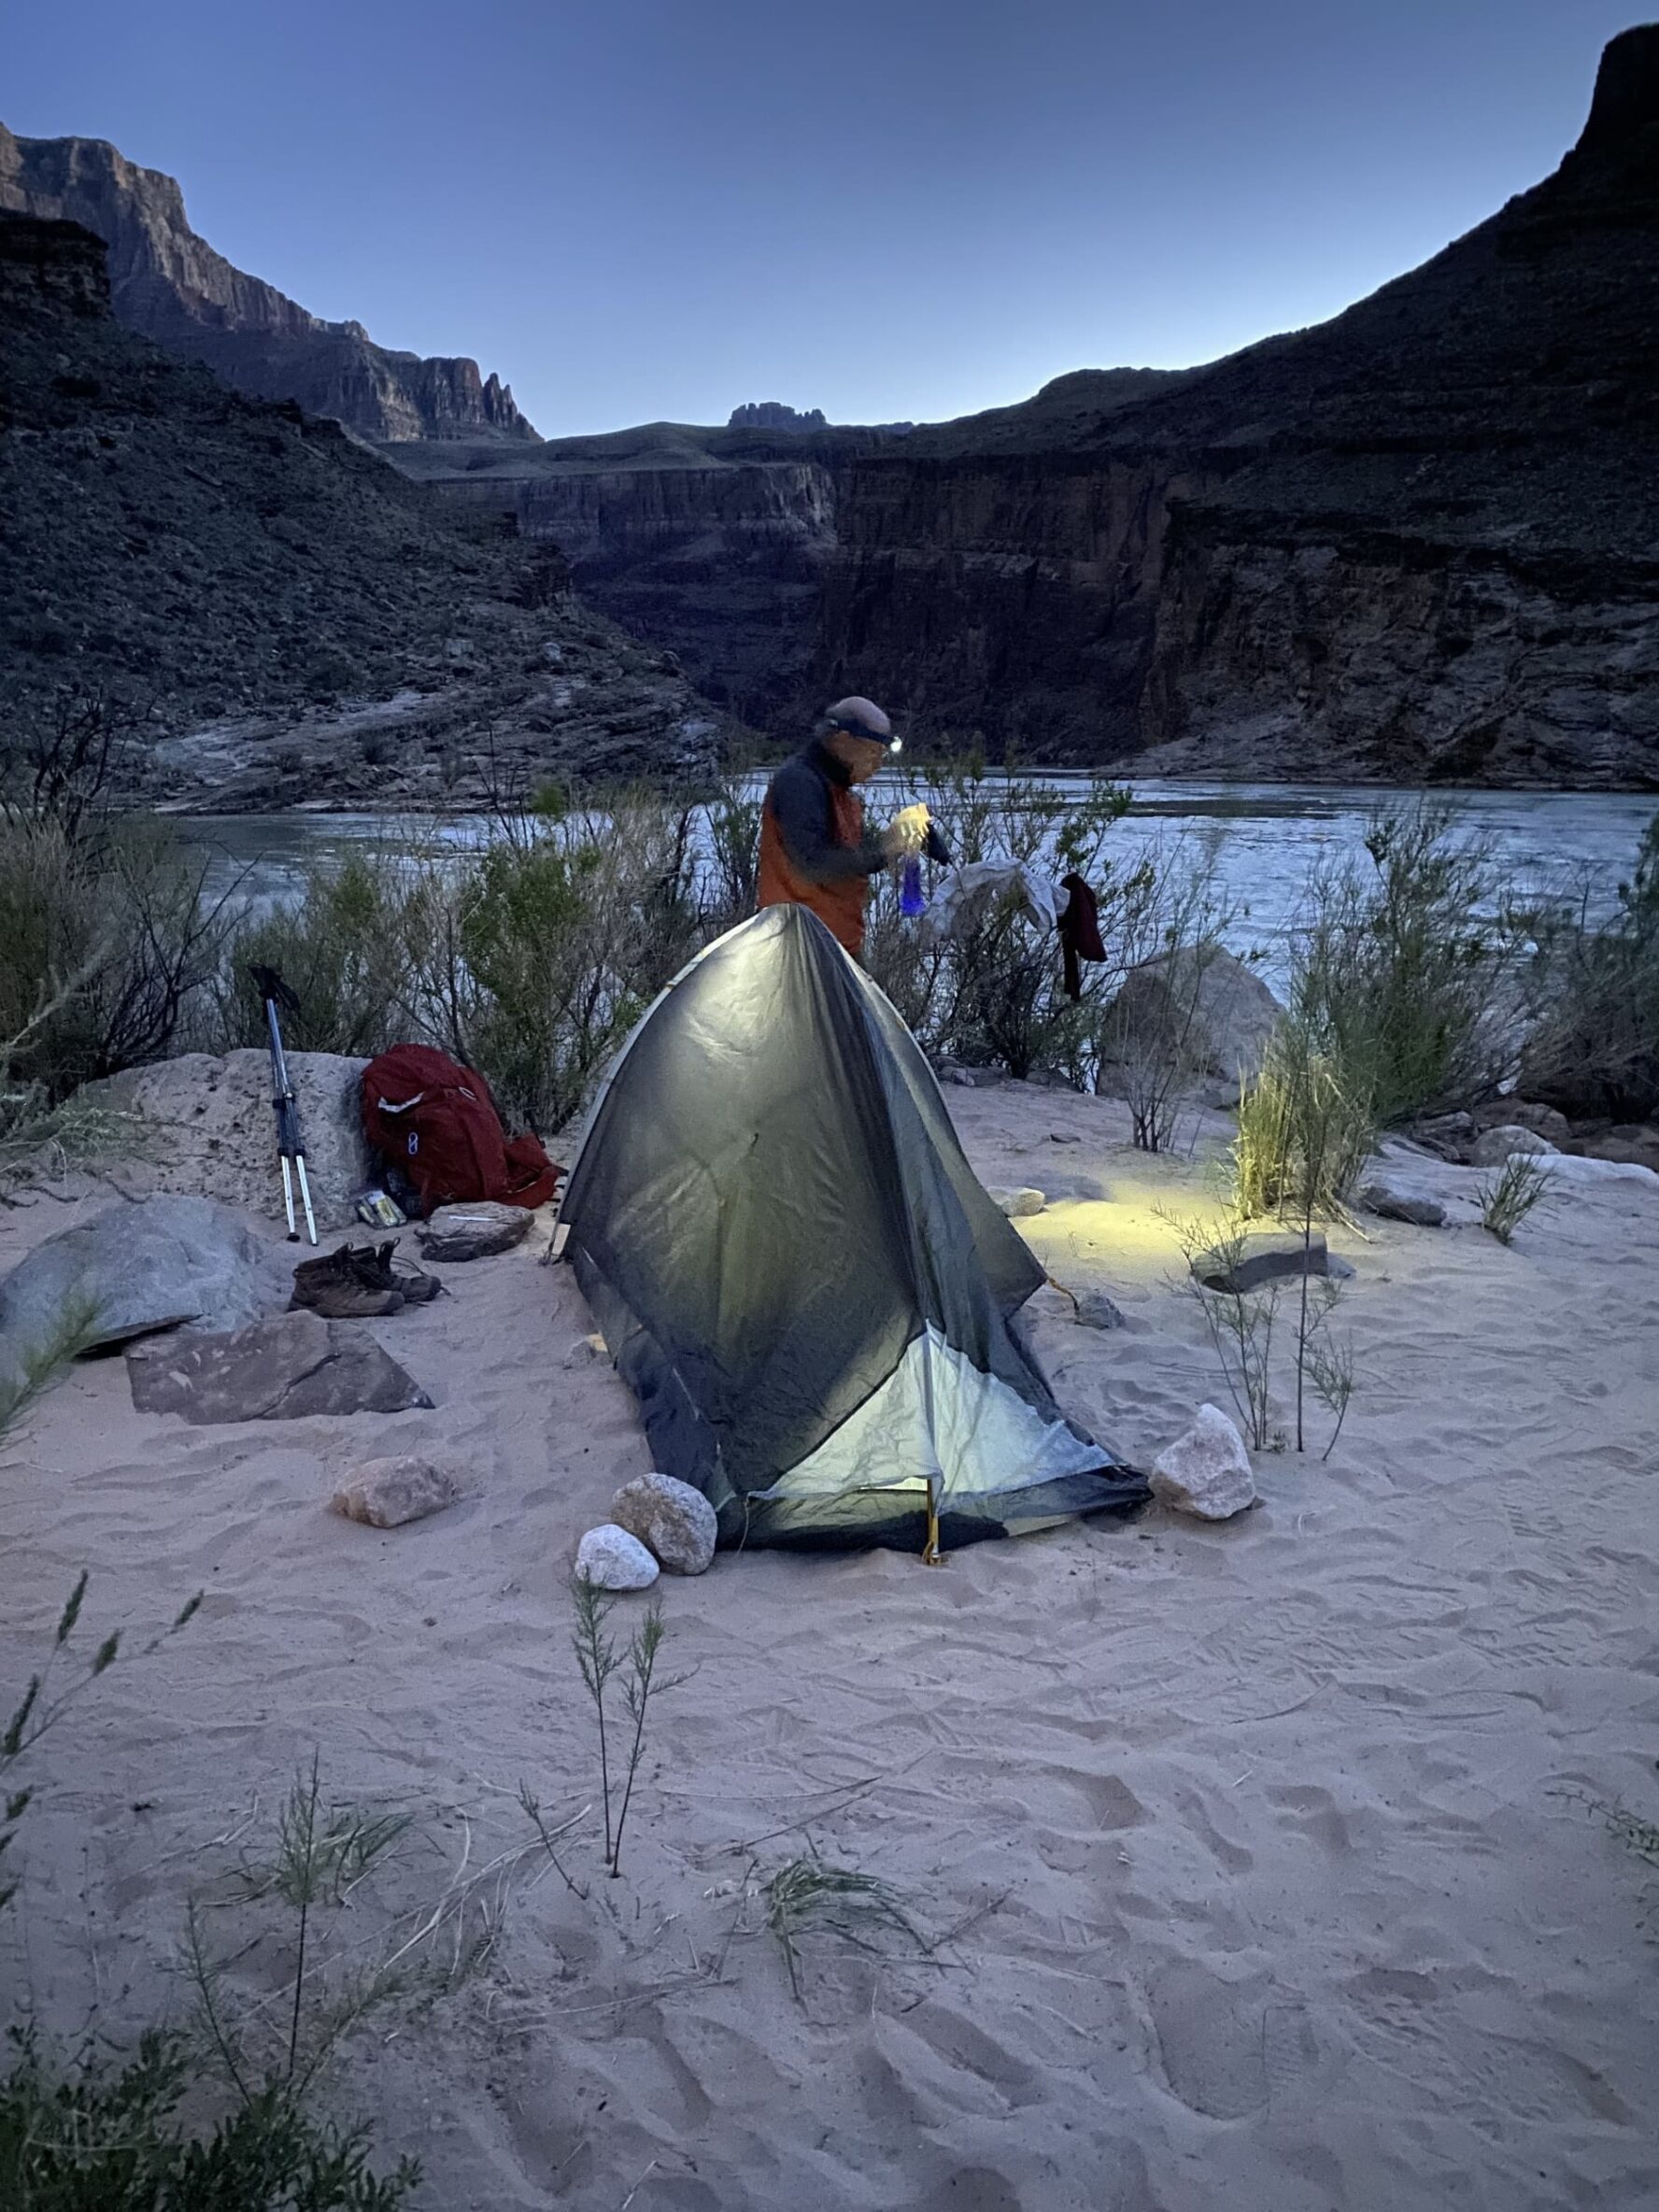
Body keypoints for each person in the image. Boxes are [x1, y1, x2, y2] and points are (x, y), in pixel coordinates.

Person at [757, 697, 929, 958]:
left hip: (835, 942)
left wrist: (906, 831)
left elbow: (850, 850)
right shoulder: (799, 782)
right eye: (873, 753)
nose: (878, 765)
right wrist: (883, 853)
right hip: (799, 948)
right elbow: (814, 862)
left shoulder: (839, 790)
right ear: (843, 740)